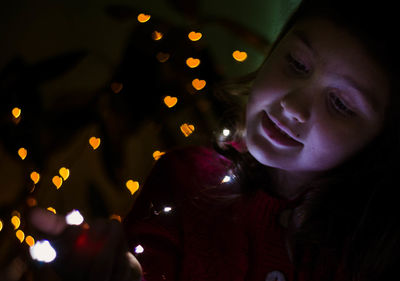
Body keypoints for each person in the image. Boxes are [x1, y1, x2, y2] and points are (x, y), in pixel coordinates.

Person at [30, 0, 400, 280]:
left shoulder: (371, 251)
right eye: (297, 64)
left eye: (339, 103)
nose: (292, 105)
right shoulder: (186, 180)